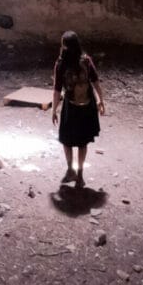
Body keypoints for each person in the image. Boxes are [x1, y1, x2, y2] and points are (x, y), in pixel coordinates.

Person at [51, 31, 105, 188]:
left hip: (70, 106)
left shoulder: (61, 64)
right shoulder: (86, 61)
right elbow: (95, 82)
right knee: (82, 142)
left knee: (66, 139)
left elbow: (56, 89)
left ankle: (70, 170)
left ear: (64, 46)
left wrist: (54, 110)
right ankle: (80, 175)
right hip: (87, 105)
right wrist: (101, 100)